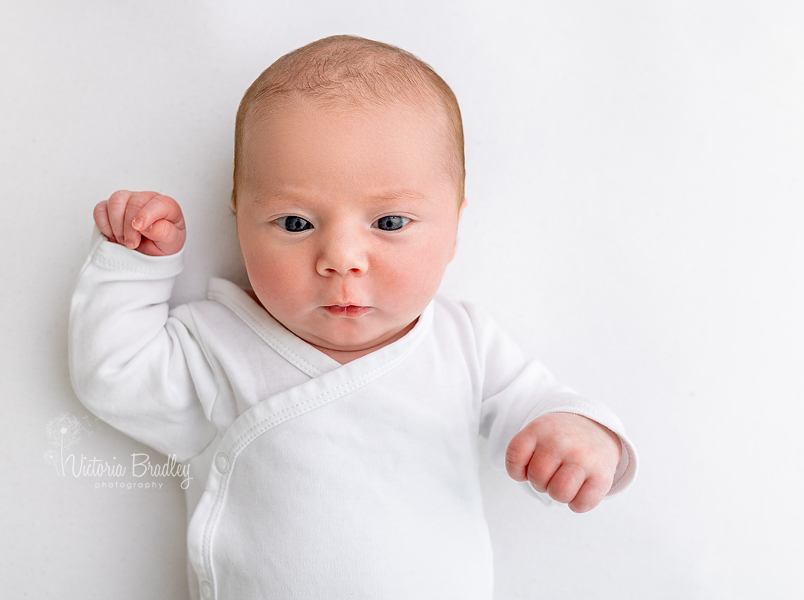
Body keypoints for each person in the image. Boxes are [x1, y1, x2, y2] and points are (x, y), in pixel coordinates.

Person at [69, 34, 638, 600]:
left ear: (455, 227)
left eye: (390, 223)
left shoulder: (464, 344)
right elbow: (115, 375)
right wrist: (133, 268)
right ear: (239, 218)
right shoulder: (219, 344)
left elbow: (537, 413)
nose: (340, 259)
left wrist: (582, 440)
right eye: (295, 224)